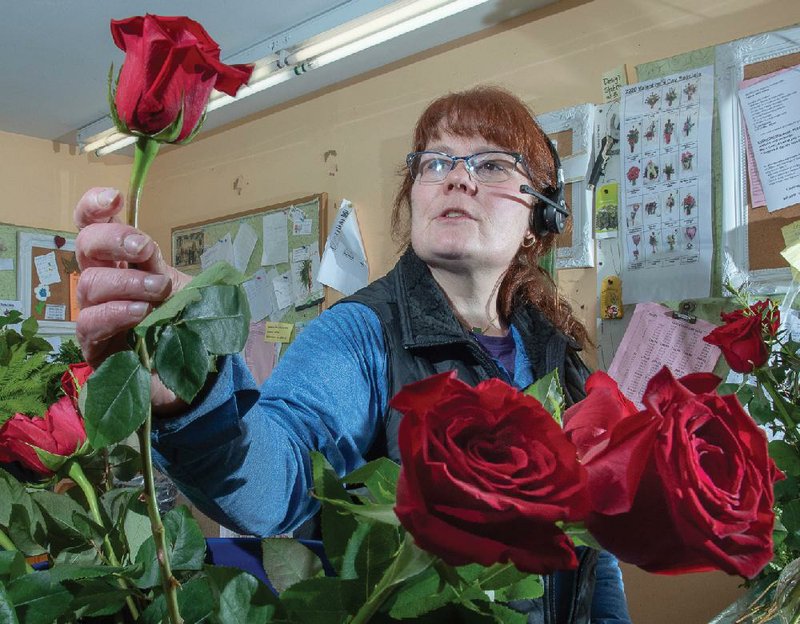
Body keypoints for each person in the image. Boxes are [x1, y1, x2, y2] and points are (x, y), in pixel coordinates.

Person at [74, 86, 631, 623]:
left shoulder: (552, 350)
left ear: (540, 219)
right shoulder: (361, 334)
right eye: (435, 162)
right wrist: (191, 388)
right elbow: (278, 479)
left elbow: (590, 546)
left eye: (490, 165)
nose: (457, 178)